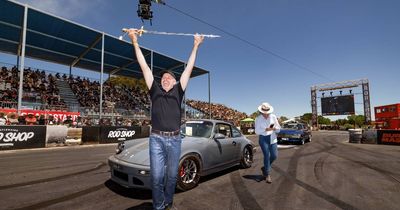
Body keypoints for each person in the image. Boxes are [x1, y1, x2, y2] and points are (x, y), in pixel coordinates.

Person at [127, 28, 204, 210]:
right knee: (156, 177)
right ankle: (159, 206)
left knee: (171, 176)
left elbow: (189, 69)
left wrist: (195, 46)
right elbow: (144, 66)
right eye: (163, 78)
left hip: (175, 139)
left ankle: (168, 202)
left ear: (175, 82)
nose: (165, 79)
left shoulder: (179, 91)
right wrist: (135, 41)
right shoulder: (155, 91)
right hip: (157, 139)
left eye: (169, 77)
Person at [255, 102, 281, 183]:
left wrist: (274, 129)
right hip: (263, 138)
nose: (266, 114)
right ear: (261, 111)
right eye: (264, 112)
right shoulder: (258, 119)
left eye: (267, 112)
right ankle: (267, 174)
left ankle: (265, 167)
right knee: (267, 155)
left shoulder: (273, 117)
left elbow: (279, 128)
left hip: (272, 138)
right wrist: (265, 129)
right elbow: (256, 131)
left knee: (274, 155)